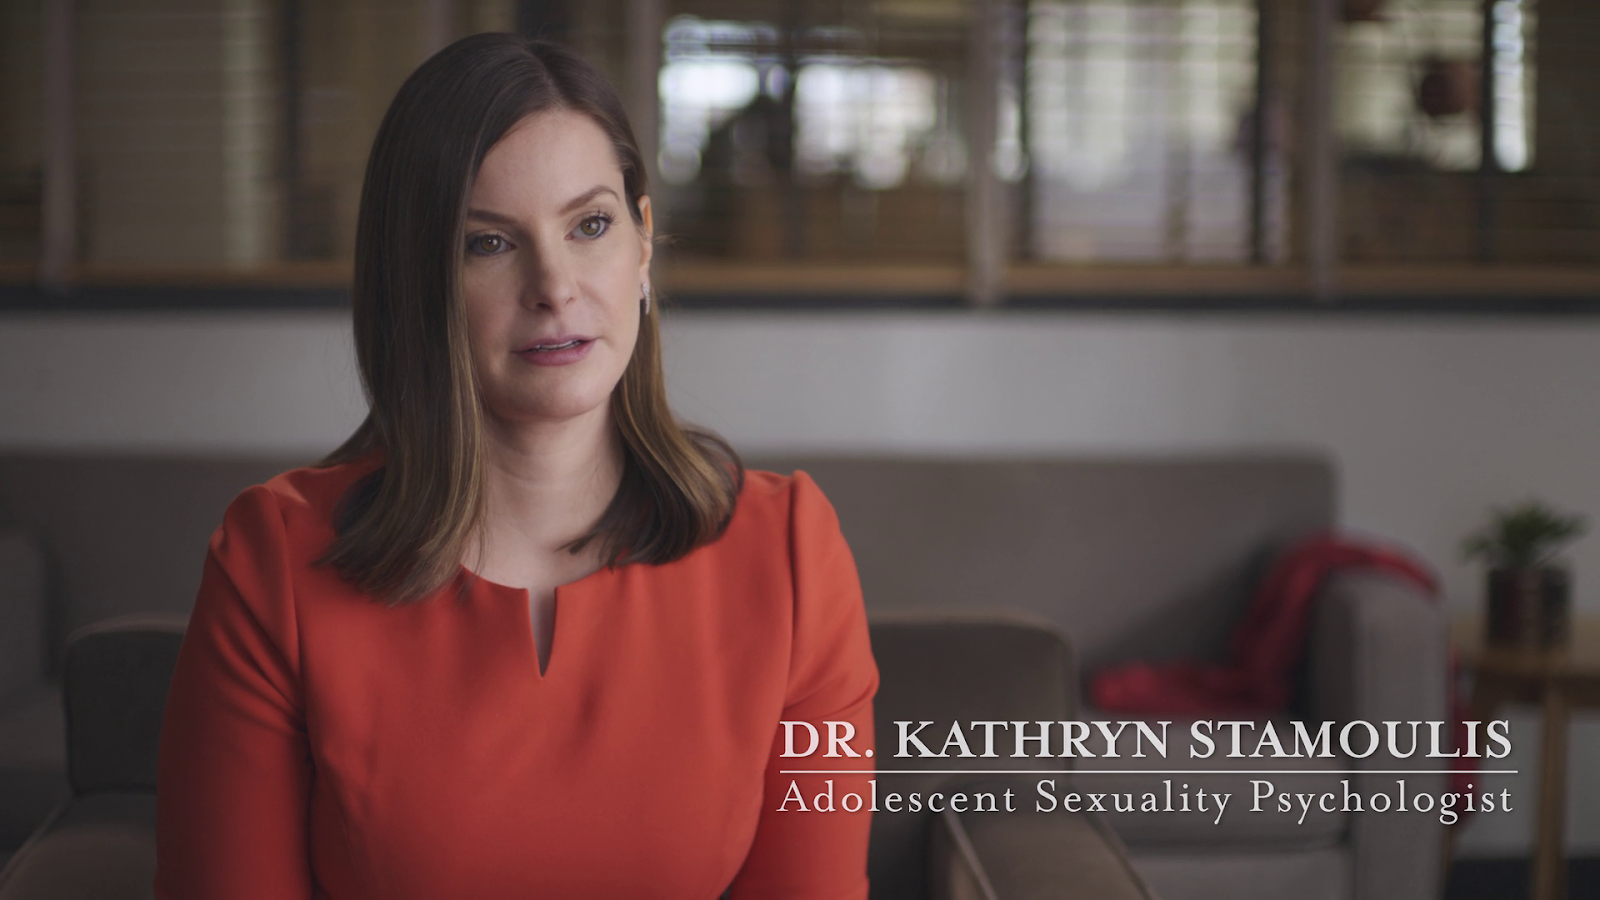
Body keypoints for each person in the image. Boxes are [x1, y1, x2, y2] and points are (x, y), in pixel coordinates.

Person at [153, 33, 878, 899]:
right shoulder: (273, 562)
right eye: (488, 244)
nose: (554, 286)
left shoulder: (791, 555)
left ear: (644, 244)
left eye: (591, 225)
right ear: (415, 281)